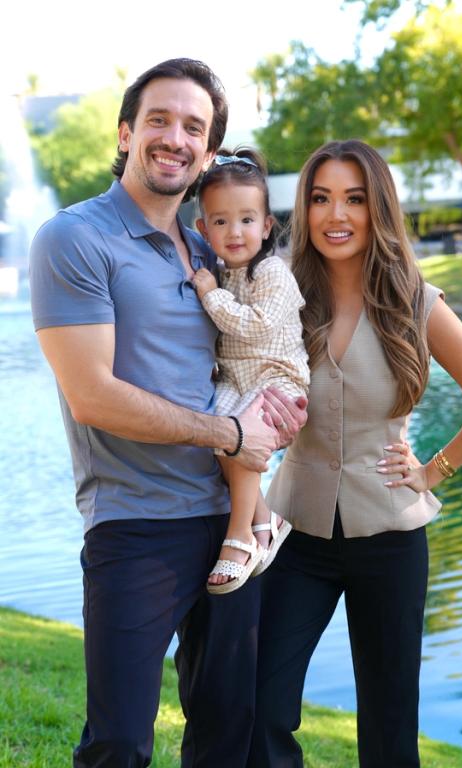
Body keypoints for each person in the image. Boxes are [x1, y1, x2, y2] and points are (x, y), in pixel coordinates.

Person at [29, 58, 307, 768]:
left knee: (224, 732)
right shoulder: (74, 238)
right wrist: (233, 432)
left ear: (209, 152)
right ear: (126, 132)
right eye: (158, 119)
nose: (174, 138)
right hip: (135, 525)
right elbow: (90, 393)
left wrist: (281, 408)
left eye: (194, 127)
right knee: (119, 740)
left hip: (231, 526)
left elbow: (258, 348)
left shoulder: (208, 248)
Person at [247, 139, 462, 768]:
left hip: (391, 535)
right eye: (320, 198)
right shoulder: (280, 292)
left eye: (354, 199)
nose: (336, 215)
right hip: (295, 533)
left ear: (378, 208)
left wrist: (431, 471)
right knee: (262, 704)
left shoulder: (415, 301)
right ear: (304, 209)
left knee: (390, 728)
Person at [192, 147, 310, 594]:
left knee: (240, 439)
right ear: (204, 229)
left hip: (277, 378)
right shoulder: (218, 272)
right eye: (220, 221)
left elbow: (255, 326)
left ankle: (241, 536)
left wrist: (210, 296)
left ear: (266, 226)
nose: (234, 231)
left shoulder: (274, 273)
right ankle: (267, 518)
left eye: (246, 220)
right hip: (234, 380)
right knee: (218, 440)